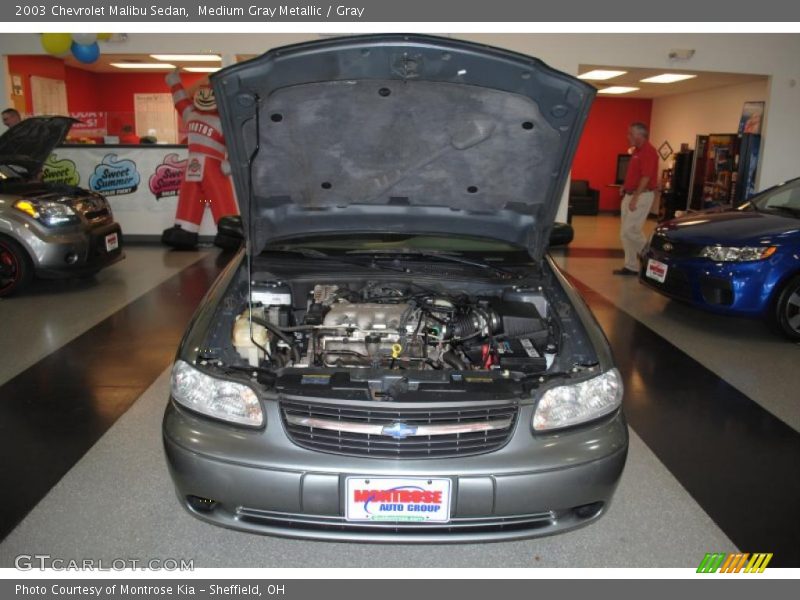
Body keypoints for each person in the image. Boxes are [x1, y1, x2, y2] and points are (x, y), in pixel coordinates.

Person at [160, 70, 238, 250]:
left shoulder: (224, 120)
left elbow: (237, 144)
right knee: (190, 197)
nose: (204, 97)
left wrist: (231, 163)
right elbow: (180, 101)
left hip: (214, 166)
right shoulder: (191, 114)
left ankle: (230, 232)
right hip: (192, 164)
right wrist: (174, 81)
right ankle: (185, 230)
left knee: (220, 197)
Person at [614, 122, 659, 276]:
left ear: (640, 135)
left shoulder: (649, 152)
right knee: (624, 233)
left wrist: (635, 198)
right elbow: (635, 174)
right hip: (630, 194)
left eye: (630, 134)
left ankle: (652, 258)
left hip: (641, 195)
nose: (628, 137)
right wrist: (625, 187)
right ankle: (631, 266)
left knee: (630, 230)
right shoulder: (637, 151)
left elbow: (646, 177)